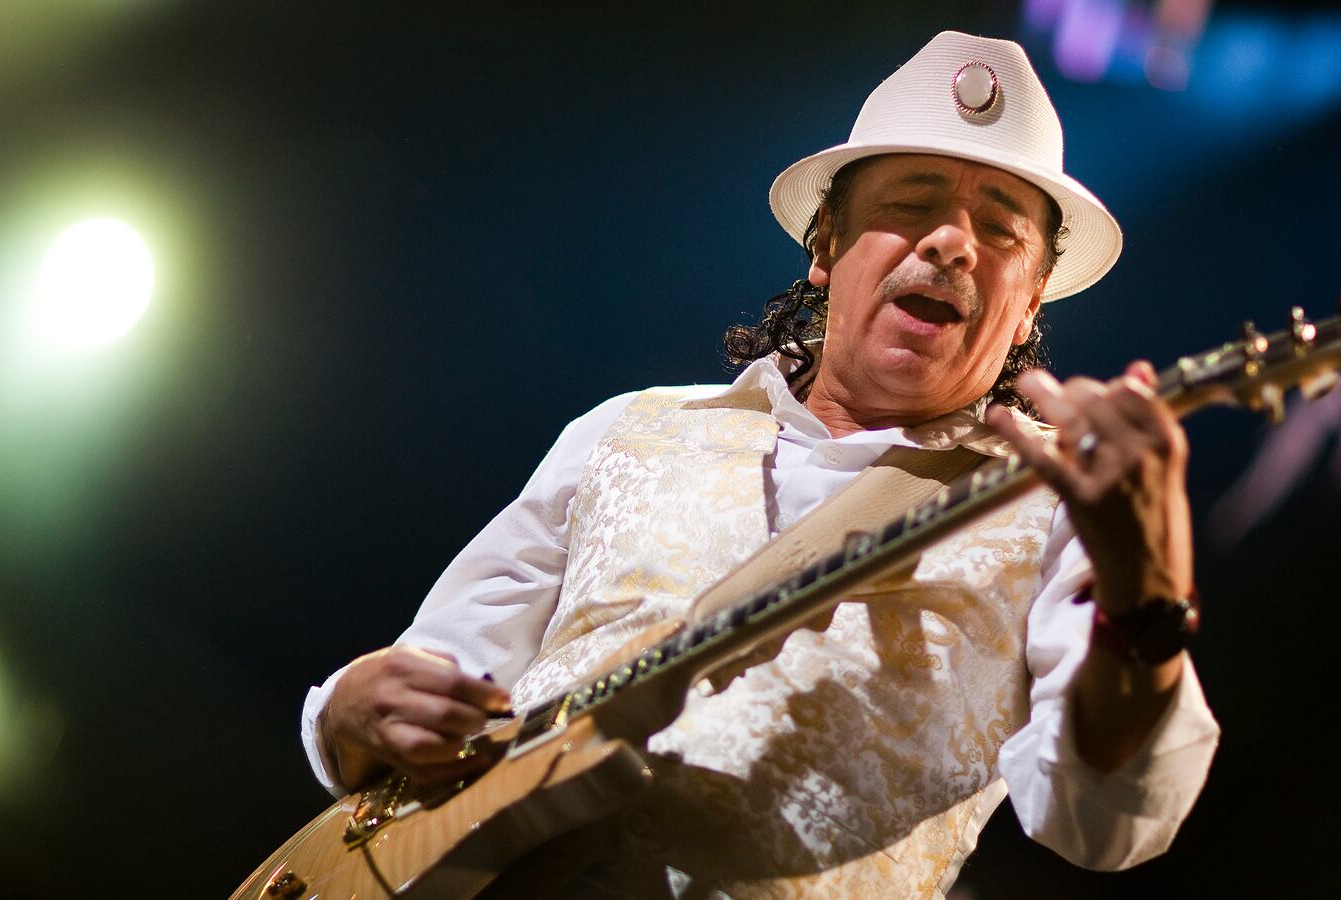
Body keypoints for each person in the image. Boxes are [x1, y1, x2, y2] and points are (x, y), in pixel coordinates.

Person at [301, 31, 1218, 897]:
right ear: (825, 247)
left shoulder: (1053, 505)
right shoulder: (628, 429)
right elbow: (437, 677)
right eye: (911, 205)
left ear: (1027, 311)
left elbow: (1106, 821)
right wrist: (343, 710)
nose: (951, 242)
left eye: (1002, 229)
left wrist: (1146, 596)